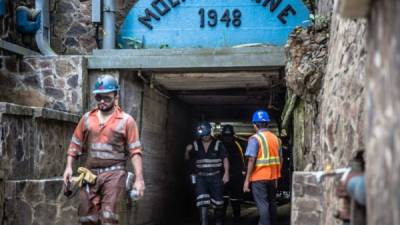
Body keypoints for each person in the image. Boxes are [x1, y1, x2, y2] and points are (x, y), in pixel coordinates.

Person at [62, 75, 145, 225]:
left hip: (114, 174)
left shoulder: (127, 121)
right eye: (98, 97)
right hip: (90, 175)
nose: (102, 101)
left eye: (107, 98)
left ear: (116, 96)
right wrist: (68, 168)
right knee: (87, 217)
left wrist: (139, 179)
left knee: (108, 216)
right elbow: (75, 144)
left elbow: (135, 151)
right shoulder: (87, 119)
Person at [185, 122, 230, 225]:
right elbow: (187, 159)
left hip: (216, 177)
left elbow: (225, 159)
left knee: (218, 203)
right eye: (202, 136)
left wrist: (226, 173)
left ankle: (218, 221)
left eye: (206, 135)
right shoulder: (196, 144)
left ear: (210, 132)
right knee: (202, 202)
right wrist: (186, 151)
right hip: (201, 177)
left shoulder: (218, 144)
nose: (204, 138)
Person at [243, 110, 282, 225]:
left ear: (254, 125)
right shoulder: (276, 139)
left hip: (258, 178)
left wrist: (246, 180)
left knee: (263, 205)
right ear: (267, 123)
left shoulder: (255, 139)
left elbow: (251, 159)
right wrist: (276, 177)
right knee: (272, 203)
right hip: (272, 178)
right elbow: (281, 159)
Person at [220, 125, 245, 224]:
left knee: (235, 199)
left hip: (235, 176)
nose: (227, 137)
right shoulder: (219, 145)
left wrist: (242, 172)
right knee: (223, 199)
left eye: (229, 135)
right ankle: (222, 219)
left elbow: (243, 160)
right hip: (223, 176)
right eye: (226, 135)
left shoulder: (238, 145)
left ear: (232, 135)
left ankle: (236, 218)